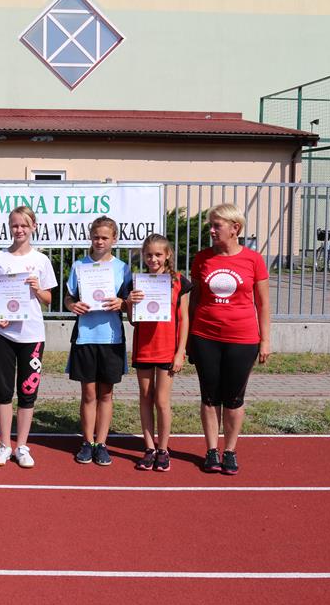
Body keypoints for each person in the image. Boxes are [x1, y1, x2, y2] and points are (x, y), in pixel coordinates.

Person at [189, 203, 271, 475]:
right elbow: (195, 299)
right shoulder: (202, 258)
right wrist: (188, 338)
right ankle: (212, 450)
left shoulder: (253, 259)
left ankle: (230, 451)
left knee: (234, 398)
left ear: (235, 228)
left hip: (243, 338)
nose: (212, 230)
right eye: (211, 226)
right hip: (205, 336)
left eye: (217, 226)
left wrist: (265, 340)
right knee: (210, 396)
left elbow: (263, 303)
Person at [0, 206, 57, 468]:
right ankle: (4, 445)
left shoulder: (41, 260)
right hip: (1, 334)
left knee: (27, 392)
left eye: (24, 225)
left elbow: (49, 299)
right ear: (9, 227)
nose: (19, 230)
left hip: (32, 335)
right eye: (15, 225)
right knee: (3, 391)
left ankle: (22, 446)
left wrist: (37, 289)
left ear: (34, 226)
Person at [64, 216, 131, 467]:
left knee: (106, 393)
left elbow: (130, 302)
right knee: (88, 393)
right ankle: (87, 442)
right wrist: (72, 305)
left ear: (114, 239)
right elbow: (69, 297)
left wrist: (122, 303)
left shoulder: (122, 268)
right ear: (90, 238)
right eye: (96, 237)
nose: (100, 241)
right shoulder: (79, 266)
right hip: (85, 337)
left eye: (105, 237)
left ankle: (101, 443)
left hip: (111, 338)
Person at [126, 233, 191, 472]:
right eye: (148, 255)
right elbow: (133, 321)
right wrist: (130, 303)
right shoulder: (138, 282)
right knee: (145, 397)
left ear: (168, 255)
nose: (153, 259)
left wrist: (180, 352)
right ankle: (149, 448)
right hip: (144, 348)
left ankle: (163, 449)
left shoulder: (179, 281)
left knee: (162, 400)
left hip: (167, 349)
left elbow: (184, 319)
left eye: (158, 255)